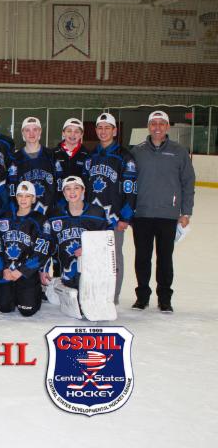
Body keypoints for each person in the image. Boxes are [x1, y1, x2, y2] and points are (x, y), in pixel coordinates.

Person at [130, 110, 195, 313]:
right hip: (142, 214)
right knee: (142, 258)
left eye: (161, 123)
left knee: (165, 259)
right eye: (153, 123)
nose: (157, 127)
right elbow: (128, 182)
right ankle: (142, 297)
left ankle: (164, 299)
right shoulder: (137, 151)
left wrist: (186, 212)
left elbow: (188, 182)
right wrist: (129, 210)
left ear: (167, 126)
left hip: (168, 215)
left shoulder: (179, 152)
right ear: (148, 126)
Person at [85, 112, 137, 305]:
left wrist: (125, 217)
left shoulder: (125, 157)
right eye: (100, 127)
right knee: (94, 258)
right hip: (93, 218)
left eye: (108, 128)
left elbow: (131, 189)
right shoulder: (92, 155)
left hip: (114, 218)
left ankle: (112, 297)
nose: (103, 131)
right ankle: (96, 294)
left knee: (114, 258)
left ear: (115, 131)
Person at [40, 176, 109, 291]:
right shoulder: (54, 215)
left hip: (92, 272)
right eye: (68, 189)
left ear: (83, 190)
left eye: (76, 188)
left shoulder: (97, 212)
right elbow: (48, 244)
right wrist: (44, 269)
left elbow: (107, 242)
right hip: (64, 274)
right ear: (63, 193)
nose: (72, 192)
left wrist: (88, 248)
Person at [0, 181, 50, 316]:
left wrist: (22, 271)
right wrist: (3, 268)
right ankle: (12, 293)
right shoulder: (3, 217)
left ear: (33, 199)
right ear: (16, 197)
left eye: (28, 196)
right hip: (6, 271)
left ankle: (34, 291)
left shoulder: (40, 220)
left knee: (27, 310)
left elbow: (42, 250)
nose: (23, 199)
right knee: (4, 308)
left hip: (26, 272)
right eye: (20, 195)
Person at [9, 116, 56, 215]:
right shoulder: (15, 158)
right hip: (25, 211)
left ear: (40, 132)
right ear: (22, 133)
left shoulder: (51, 155)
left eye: (35, 129)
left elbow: (58, 184)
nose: (31, 133)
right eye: (27, 130)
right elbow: (12, 187)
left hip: (49, 210)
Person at [52, 118, 89, 206]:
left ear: (81, 134)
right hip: (57, 203)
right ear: (63, 133)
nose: (73, 134)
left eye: (76, 131)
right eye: (69, 131)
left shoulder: (88, 155)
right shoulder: (52, 154)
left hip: (80, 204)